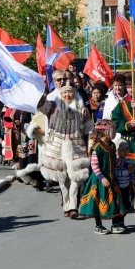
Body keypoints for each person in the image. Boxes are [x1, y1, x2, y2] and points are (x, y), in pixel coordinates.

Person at [36, 83, 95, 218]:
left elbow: (89, 129)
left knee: (76, 178)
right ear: (60, 94)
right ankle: (67, 205)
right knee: (62, 179)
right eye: (64, 92)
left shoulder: (82, 109)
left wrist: (90, 146)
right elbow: (40, 105)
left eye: (70, 92)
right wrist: (39, 94)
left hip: (77, 146)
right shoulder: (52, 106)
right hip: (57, 146)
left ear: (75, 93)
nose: (67, 95)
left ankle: (73, 206)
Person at [79, 119, 129, 234]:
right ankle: (98, 225)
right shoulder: (97, 147)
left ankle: (115, 225)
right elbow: (94, 166)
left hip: (111, 179)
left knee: (115, 201)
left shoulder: (112, 145)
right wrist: (102, 178)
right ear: (106, 132)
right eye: (113, 130)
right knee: (97, 203)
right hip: (99, 181)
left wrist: (126, 165)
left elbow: (114, 161)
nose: (115, 132)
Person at [111, 74, 135, 212]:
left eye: (132, 87)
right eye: (127, 87)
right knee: (126, 173)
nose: (129, 90)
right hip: (126, 144)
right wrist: (127, 125)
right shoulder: (122, 104)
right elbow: (115, 121)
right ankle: (127, 199)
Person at [112, 136, 135, 232]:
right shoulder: (114, 162)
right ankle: (115, 224)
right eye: (123, 150)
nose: (125, 152)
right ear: (116, 151)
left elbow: (131, 174)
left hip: (126, 187)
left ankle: (121, 222)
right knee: (117, 206)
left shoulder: (128, 161)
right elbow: (114, 173)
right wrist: (125, 171)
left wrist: (133, 181)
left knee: (126, 205)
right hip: (117, 188)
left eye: (127, 149)